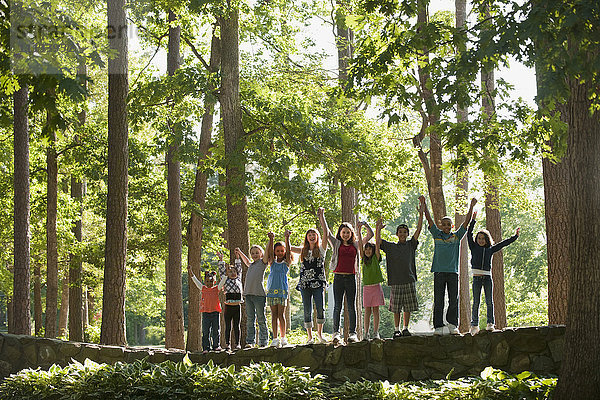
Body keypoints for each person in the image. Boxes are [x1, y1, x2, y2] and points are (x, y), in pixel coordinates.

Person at [423, 196, 476, 335]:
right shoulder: (436, 234)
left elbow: (466, 222)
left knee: (453, 298)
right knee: (438, 299)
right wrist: (424, 204)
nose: (446, 226)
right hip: (439, 272)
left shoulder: (457, 236)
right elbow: (429, 220)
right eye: (444, 224)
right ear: (441, 225)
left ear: (452, 226)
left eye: (448, 224)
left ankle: (453, 324)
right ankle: (438, 326)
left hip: (453, 272)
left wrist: (471, 205)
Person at [319, 207, 373, 344]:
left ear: (351, 233)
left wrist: (364, 225)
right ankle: (336, 333)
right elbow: (327, 231)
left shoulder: (356, 245)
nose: (345, 235)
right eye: (343, 232)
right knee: (337, 307)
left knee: (351, 307)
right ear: (340, 233)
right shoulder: (336, 243)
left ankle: (352, 334)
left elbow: (370, 235)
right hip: (338, 278)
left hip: (351, 278)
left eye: (348, 232)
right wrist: (322, 215)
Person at [376, 198, 424, 338]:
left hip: (409, 279)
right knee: (396, 308)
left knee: (407, 307)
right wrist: (378, 228)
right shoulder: (391, 247)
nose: (402, 234)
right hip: (396, 281)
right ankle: (396, 329)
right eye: (400, 232)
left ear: (407, 234)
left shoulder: (411, 245)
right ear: (397, 234)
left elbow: (419, 229)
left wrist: (421, 214)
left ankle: (405, 328)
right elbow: (378, 241)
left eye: (404, 232)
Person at [467, 212, 520, 335]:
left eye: (483, 238)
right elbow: (468, 234)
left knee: (489, 301)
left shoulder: (490, 249)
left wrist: (515, 237)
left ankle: (491, 323)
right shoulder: (473, 247)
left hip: (487, 278)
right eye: (479, 238)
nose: (480, 240)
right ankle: (474, 325)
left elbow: (503, 243)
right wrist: (473, 220)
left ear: (487, 240)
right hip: (476, 278)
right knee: (476, 302)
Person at [291, 227, 328, 344]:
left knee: (320, 308)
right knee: (307, 310)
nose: (312, 237)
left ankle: (320, 334)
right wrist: (287, 238)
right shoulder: (303, 251)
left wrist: (322, 217)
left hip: (318, 283)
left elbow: (326, 234)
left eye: (314, 235)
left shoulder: (321, 250)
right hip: (305, 284)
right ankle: (310, 337)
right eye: (309, 235)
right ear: (307, 238)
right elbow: (289, 248)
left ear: (317, 237)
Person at [236, 245, 269, 348]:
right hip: (248, 295)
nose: (254, 255)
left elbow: (267, 252)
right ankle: (250, 341)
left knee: (261, 318)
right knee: (250, 319)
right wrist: (240, 252)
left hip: (259, 295)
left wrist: (270, 240)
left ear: (261, 254)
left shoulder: (262, 263)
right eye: (253, 253)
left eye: (257, 252)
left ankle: (263, 341)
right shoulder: (251, 265)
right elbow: (246, 261)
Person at [357, 226, 384, 340]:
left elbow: (377, 244)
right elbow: (359, 245)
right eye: (366, 249)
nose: (368, 251)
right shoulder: (363, 259)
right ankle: (366, 333)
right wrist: (358, 230)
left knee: (375, 310)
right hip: (367, 289)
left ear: (373, 251)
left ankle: (376, 332)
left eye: (369, 249)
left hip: (376, 287)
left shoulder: (376, 259)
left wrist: (378, 229)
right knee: (367, 311)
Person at [266, 230, 291, 347]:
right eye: (278, 251)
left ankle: (283, 337)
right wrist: (271, 239)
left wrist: (287, 238)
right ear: (275, 252)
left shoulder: (286, 263)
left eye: (282, 250)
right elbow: (270, 253)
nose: (280, 252)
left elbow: (289, 250)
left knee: (281, 315)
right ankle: (274, 338)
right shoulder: (272, 262)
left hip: (282, 292)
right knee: (274, 315)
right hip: (272, 291)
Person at [188, 267, 222, 353]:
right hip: (206, 313)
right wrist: (190, 272)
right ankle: (206, 348)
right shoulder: (203, 288)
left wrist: (225, 272)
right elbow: (195, 281)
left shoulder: (216, 289)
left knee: (216, 330)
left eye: (211, 281)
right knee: (206, 331)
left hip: (215, 312)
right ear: (204, 281)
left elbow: (223, 281)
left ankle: (216, 346)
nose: (209, 283)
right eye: (207, 281)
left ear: (214, 282)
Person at [218, 251, 243, 350]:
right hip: (228, 307)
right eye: (230, 272)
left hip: (237, 306)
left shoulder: (239, 279)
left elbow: (239, 268)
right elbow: (221, 272)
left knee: (237, 326)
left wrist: (237, 257)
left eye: (234, 272)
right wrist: (221, 260)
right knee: (228, 326)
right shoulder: (226, 281)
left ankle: (237, 343)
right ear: (227, 274)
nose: (233, 273)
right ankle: (227, 344)